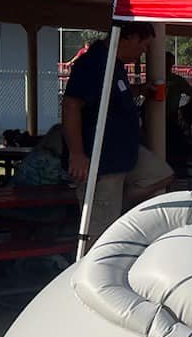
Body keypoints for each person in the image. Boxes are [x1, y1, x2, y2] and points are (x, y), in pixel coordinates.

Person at [61, 23, 173, 244]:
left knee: (162, 174)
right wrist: (77, 153)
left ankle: (118, 201)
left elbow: (114, 93)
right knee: (100, 233)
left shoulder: (116, 65)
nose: (145, 52)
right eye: (143, 45)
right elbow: (71, 105)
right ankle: (91, 270)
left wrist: (140, 90)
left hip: (124, 153)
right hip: (102, 160)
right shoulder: (93, 64)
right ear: (128, 38)